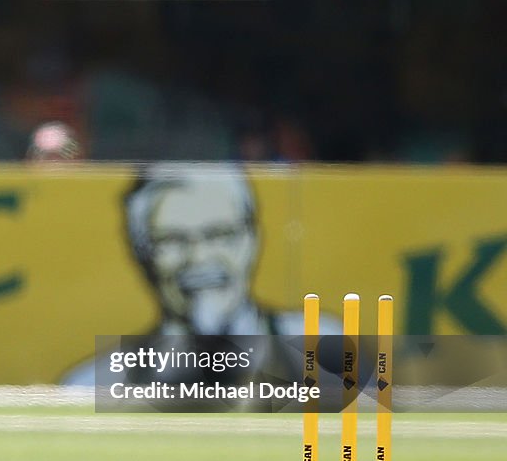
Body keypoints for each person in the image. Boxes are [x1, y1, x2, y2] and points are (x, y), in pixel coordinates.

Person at [61, 164, 340, 388]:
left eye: (219, 235)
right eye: (172, 240)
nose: (199, 258)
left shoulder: (323, 347)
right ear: (141, 253)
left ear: (252, 240)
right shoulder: (96, 384)